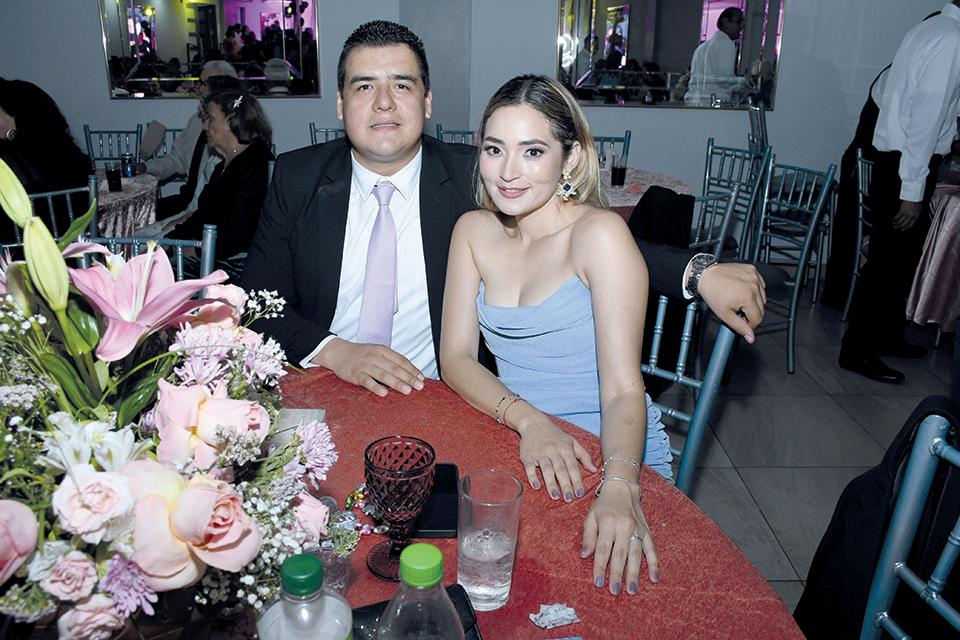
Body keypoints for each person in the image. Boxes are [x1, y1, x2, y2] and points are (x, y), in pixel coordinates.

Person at [242, 20, 766, 401]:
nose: (384, 103)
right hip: (323, 383)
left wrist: (699, 272)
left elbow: (577, 234)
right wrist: (336, 351)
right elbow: (255, 303)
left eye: (401, 85)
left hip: (444, 395)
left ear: (427, 102)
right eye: (364, 86)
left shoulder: (478, 174)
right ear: (340, 104)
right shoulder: (296, 177)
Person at [440, 75, 680, 595]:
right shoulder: (473, 232)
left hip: (610, 452)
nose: (508, 172)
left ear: (570, 158)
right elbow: (455, 359)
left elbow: (623, 390)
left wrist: (620, 486)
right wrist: (530, 421)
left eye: (532, 151)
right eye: (494, 149)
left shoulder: (599, 235)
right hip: (520, 436)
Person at [838, 2, 960, 383]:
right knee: (887, 265)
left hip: (897, 161)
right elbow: (926, 119)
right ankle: (857, 351)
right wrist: (913, 188)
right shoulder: (952, 39)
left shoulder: (929, 29)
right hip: (908, 164)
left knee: (900, 262)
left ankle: (887, 336)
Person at [169, 90, 272, 275]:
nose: (205, 127)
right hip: (217, 252)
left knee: (159, 278)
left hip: (239, 263)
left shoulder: (255, 165)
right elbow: (204, 215)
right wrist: (170, 241)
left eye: (210, 119)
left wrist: (196, 251)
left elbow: (239, 234)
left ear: (232, 120)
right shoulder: (224, 165)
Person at [140, 62, 240, 219]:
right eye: (199, 83)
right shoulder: (196, 120)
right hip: (187, 198)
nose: (200, 89)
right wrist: (145, 168)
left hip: (209, 207)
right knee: (137, 214)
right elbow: (177, 159)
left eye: (205, 83)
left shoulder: (234, 129)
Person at [0, 79, 91, 245]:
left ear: (14, 116)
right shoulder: (68, 152)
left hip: (26, 251)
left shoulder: (9, 161)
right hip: (78, 247)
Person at [685, 8, 746, 106]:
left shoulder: (702, 47)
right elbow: (724, 80)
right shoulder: (726, 44)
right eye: (738, 22)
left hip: (695, 102)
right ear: (725, 22)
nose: (741, 27)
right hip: (715, 103)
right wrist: (743, 82)